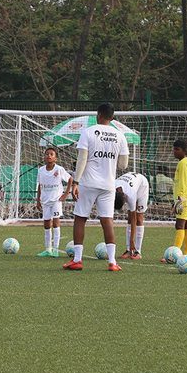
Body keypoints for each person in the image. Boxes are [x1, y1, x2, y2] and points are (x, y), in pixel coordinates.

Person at [63, 103, 129, 272]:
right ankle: (112, 262)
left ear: (98, 114)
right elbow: (123, 165)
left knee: (80, 218)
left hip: (88, 183)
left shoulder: (88, 132)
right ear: (112, 117)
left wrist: (76, 182)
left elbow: (82, 159)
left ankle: (77, 260)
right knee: (107, 220)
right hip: (108, 185)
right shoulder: (120, 135)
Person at [35, 147, 74, 258]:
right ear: (44, 157)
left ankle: (55, 250)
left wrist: (66, 194)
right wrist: (38, 200)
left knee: (56, 223)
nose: (49, 156)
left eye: (51, 154)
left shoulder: (59, 169)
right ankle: (48, 249)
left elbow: (70, 179)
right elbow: (40, 185)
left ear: (55, 158)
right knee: (47, 224)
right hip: (45, 201)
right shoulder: (41, 170)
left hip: (56, 200)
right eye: (47, 154)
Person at [164, 139, 187, 264]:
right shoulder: (184, 162)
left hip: (183, 200)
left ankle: (174, 254)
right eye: (174, 149)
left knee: (179, 225)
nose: (174, 151)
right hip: (185, 199)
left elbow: (182, 184)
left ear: (185, 151)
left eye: (177, 149)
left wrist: (178, 201)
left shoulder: (183, 163)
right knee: (186, 224)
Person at [114, 171, 149, 260]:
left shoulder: (130, 194)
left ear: (124, 197)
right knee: (129, 218)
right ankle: (128, 250)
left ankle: (137, 251)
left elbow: (134, 219)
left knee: (139, 217)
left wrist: (132, 240)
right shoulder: (112, 187)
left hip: (142, 186)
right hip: (131, 182)